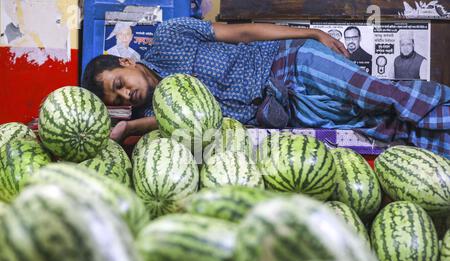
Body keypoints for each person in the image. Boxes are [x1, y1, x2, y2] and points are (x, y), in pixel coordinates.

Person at [82, 17, 450, 159]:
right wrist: (129, 127)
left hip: (289, 62)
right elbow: (191, 128)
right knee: (378, 125)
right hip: (289, 113)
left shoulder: (170, 37)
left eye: (119, 84)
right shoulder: (153, 119)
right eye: (117, 99)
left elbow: (243, 32)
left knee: (385, 95)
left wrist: (309, 32)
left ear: (126, 62)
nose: (125, 94)